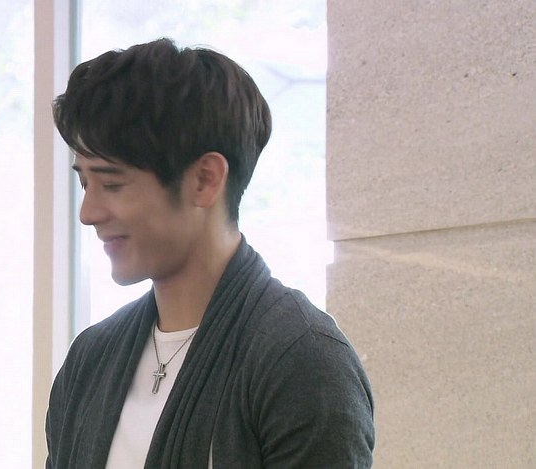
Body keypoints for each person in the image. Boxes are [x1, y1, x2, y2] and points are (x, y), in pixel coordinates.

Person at [45, 38, 375, 468]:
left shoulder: (302, 360)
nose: (88, 213)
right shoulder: (90, 359)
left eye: (112, 184)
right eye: (84, 183)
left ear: (205, 179)